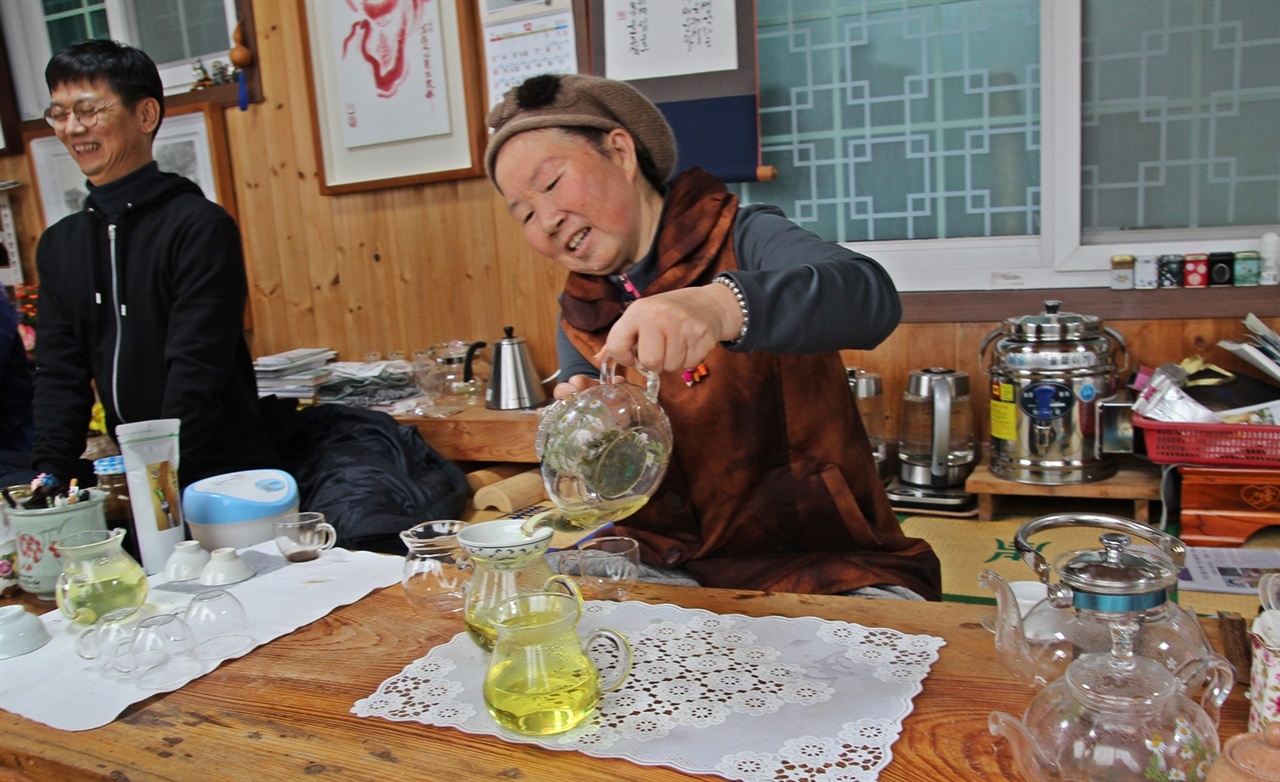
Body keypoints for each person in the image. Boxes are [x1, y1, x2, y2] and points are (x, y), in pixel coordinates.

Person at [485, 74, 942, 600]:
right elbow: (592, 438)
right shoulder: (583, 308)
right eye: (523, 213)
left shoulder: (742, 237)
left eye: (551, 184)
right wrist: (592, 432)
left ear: (620, 152)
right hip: (661, 559)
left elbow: (870, 295)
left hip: (817, 561)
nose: (546, 220)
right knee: (525, 609)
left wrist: (720, 304)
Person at [29, 39, 283, 490]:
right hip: (138, 478)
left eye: (88, 110)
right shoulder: (59, 245)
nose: (71, 128)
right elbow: (59, 375)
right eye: (60, 114)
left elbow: (196, 371)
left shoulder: (199, 226)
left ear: (145, 116)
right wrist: (50, 474)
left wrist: (159, 477)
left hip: (223, 477)